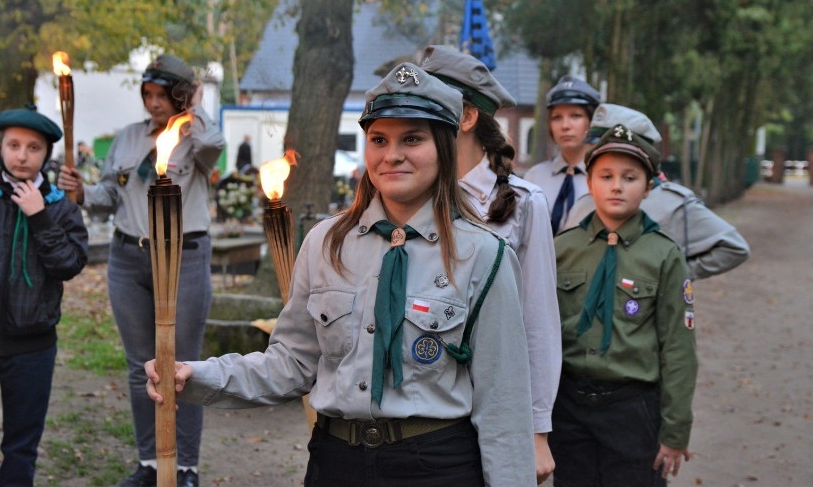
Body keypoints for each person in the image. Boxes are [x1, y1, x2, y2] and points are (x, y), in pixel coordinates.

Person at [145, 62, 537, 486]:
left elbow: (503, 406)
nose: (392, 155)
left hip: (436, 466)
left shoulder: (483, 256)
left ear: (444, 146)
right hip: (336, 463)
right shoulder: (325, 243)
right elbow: (291, 363)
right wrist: (196, 375)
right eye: (378, 139)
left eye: (413, 139)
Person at [58, 54, 225, 487]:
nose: (153, 104)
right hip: (128, 257)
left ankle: (184, 466)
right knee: (141, 366)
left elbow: (216, 146)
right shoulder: (129, 138)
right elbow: (107, 197)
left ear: (179, 94)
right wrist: (80, 191)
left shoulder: (197, 137)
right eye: (147, 95)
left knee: (182, 365)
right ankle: (150, 462)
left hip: (183, 256)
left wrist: (196, 102)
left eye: (162, 95)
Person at [419, 45, 561, 483]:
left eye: (428, 104)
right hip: (422, 403)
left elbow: (537, 322)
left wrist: (537, 429)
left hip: (493, 402)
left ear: (465, 116)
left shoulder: (521, 203)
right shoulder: (406, 194)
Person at [551, 124, 698, 486]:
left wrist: (675, 430)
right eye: (606, 175)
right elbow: (539, 334)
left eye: (630, 177)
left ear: (649, 187)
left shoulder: (664, 255)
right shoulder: (561, 249)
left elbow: (679, 349)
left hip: (633, 408)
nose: (616, 185)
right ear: (590, 183)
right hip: (568, 406)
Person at [0, 105, 89, 486]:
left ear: (47, 154)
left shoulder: (60, 207)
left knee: (21, 447)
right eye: (13, 145)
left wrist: (39, 216)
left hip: (32, 347)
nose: (21, 156)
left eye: (33, 147)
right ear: (0, 147)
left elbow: (70, 265)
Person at [563, 103, 750, 279]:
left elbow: (733, 246)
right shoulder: (584, 204)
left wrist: (673, 275)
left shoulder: (674, 204)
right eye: (592, 147)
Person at [525, 75, 600, 234]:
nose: (565, 126)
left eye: (575, 116)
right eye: (557, 117)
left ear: (591, 121)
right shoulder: (534, 178)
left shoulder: (604, 178)